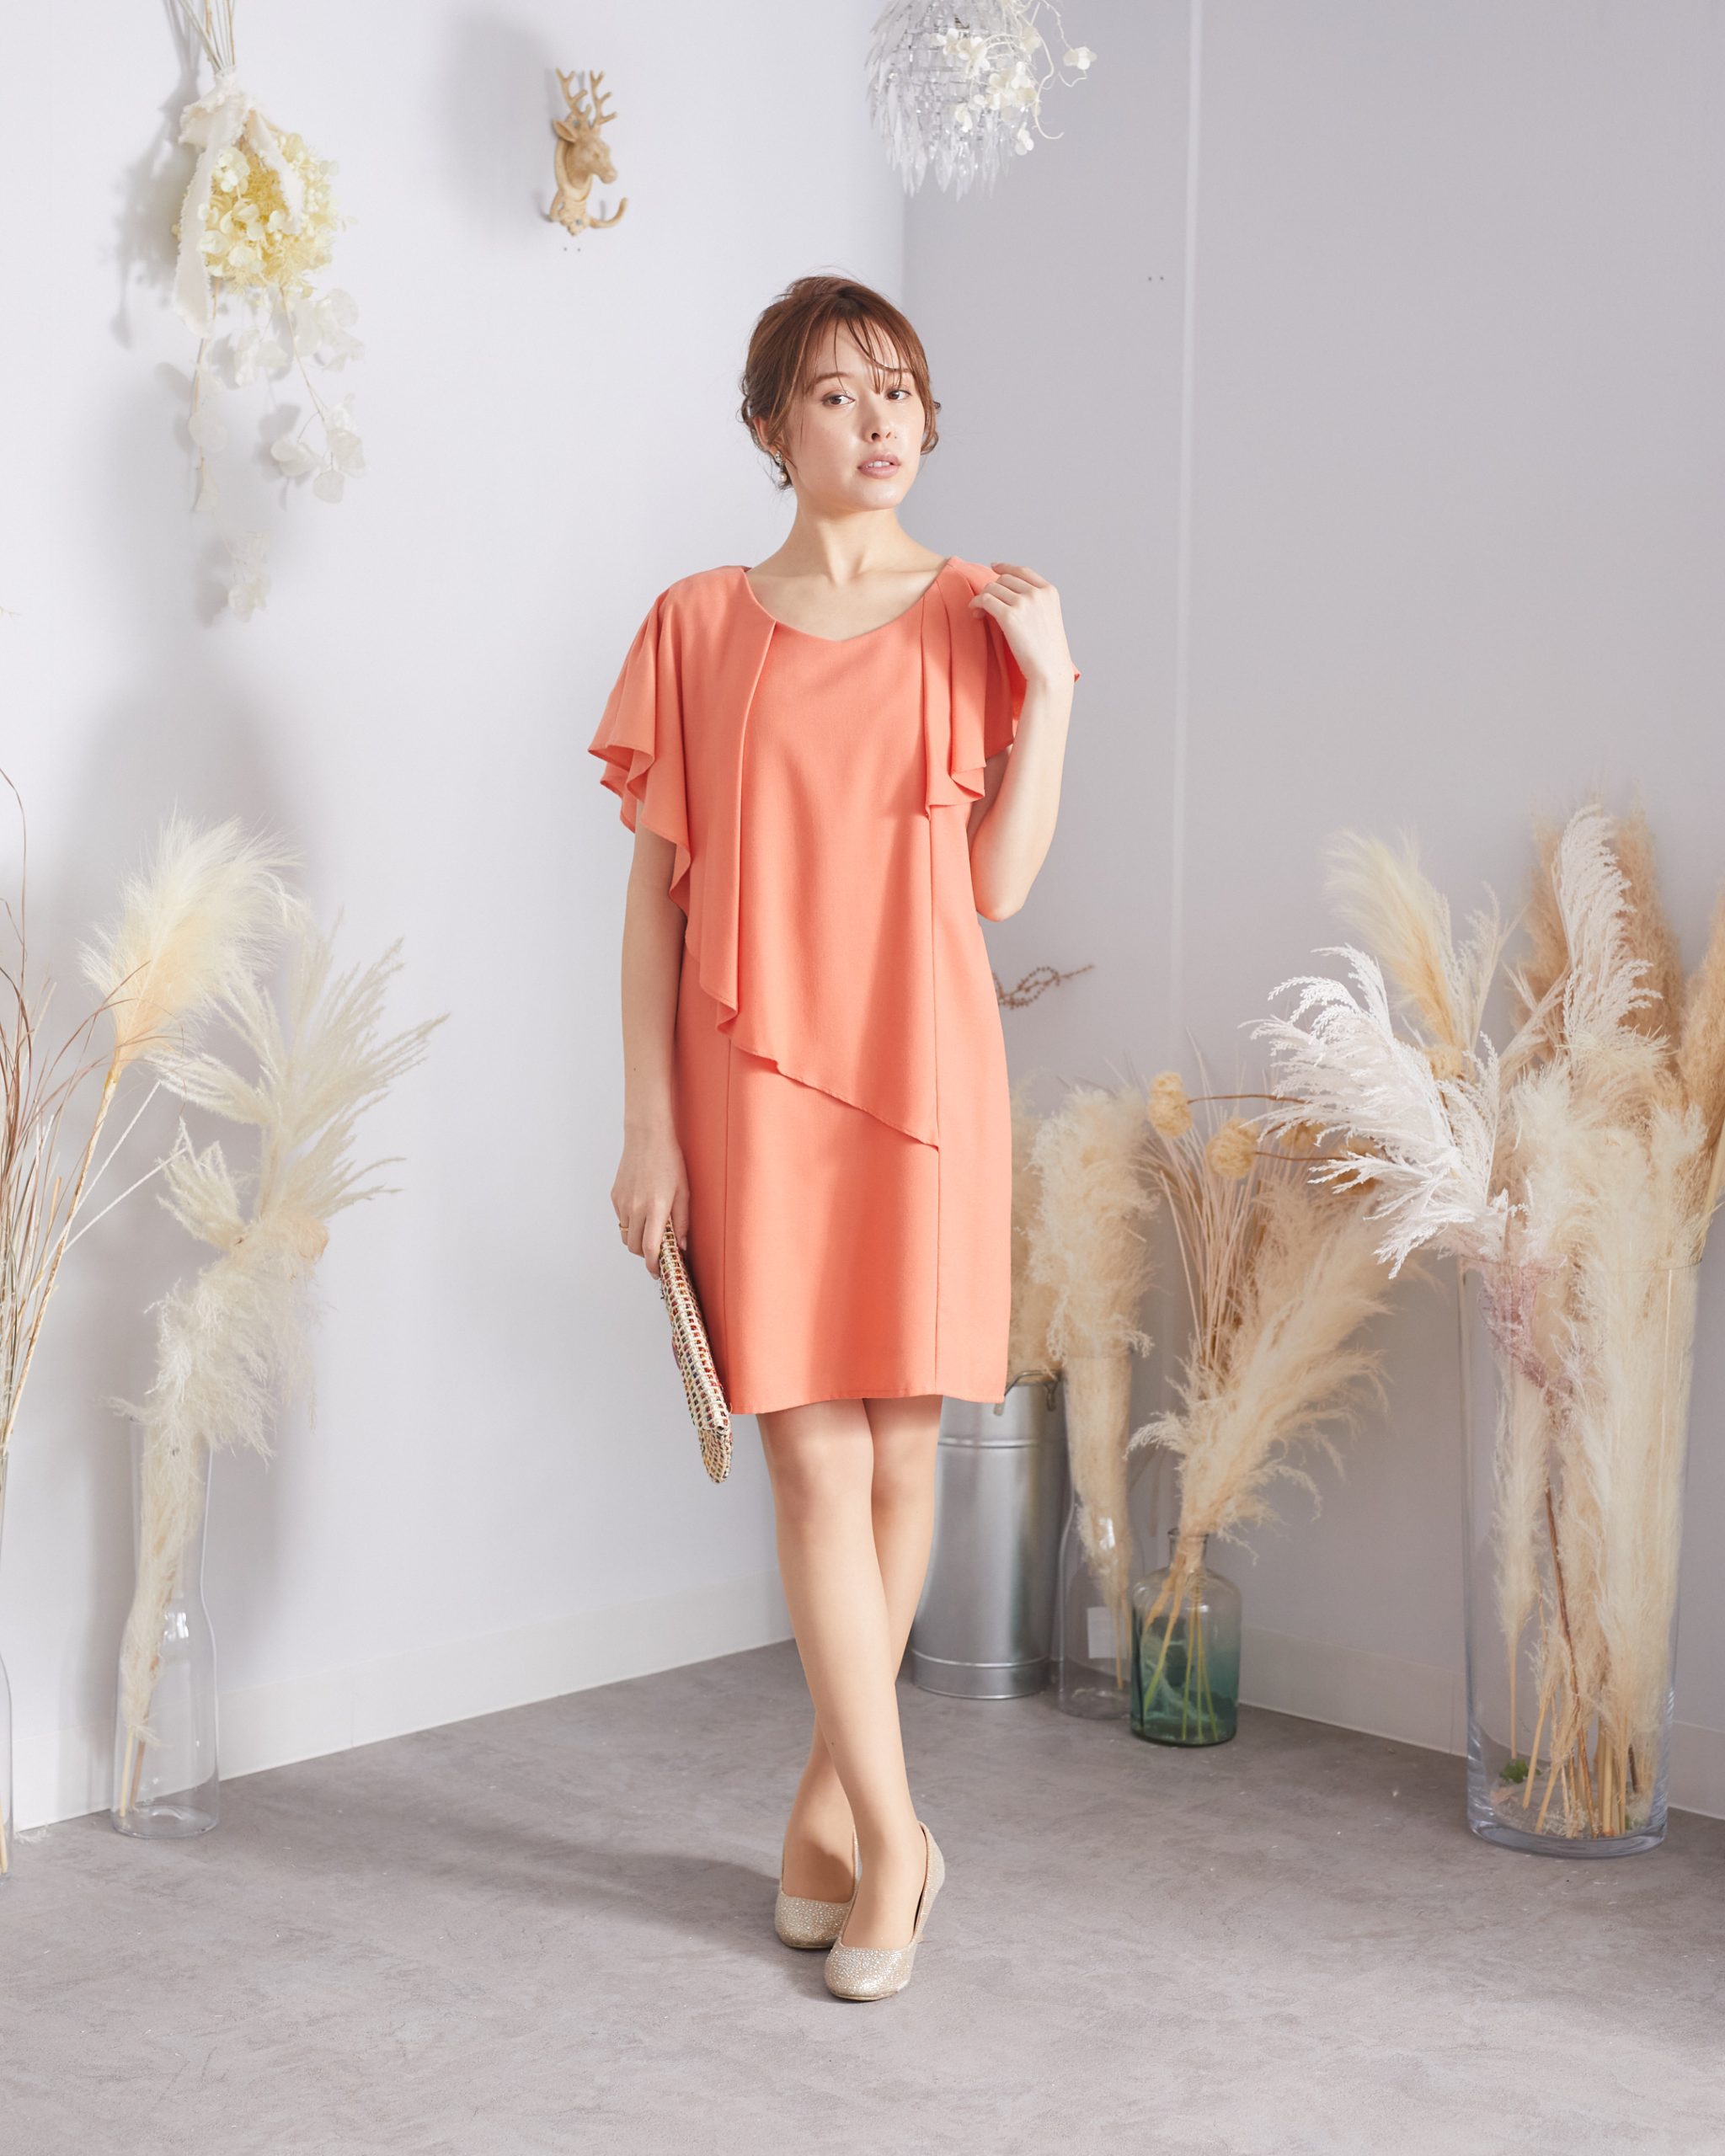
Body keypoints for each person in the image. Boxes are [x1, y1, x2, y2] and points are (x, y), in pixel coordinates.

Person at [589, 273, 1078, 2000]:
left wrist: (1053, 688)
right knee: (809, 1455)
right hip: (748, 1078)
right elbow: (652, 906)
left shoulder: (978, 615)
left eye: (899, 391)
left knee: (900, 1453)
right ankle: (898, 1841)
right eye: (835, 394)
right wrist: (647, 1123)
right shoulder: (696, 625)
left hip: (927, 1069)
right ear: (768, 429)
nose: (877, 422)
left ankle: (822, 1812)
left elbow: (996, 886)